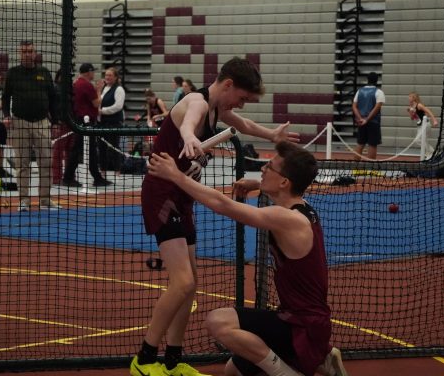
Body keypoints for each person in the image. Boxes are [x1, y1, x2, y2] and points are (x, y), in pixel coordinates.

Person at [132, 57, 299, 376]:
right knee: (182, 282)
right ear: (227, 85)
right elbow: (186, 119)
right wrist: (189, 135)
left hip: (183, 196)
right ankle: (144, 359)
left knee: (190, 284)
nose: (243, 105)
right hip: (162, 196)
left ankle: (173, 361)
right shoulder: (196, 101)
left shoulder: (217, 109)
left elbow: (244, 125)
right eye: (242, 98)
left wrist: (272, 134)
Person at [147, 141, 347, 376]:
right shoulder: (301, 207)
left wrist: (175, 176)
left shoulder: (287, 219)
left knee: (217, 321)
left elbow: (223, 205)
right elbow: (289, 192)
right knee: (232, 371)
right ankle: (323, 361)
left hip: (302, 327)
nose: (262, 169)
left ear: (284, 182)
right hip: (300, 319)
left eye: (269, 167)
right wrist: (259, 185)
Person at [2, 40, 60, 211]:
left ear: (35, 53)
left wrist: (55, 121)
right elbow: (5, 98)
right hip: (20, 122)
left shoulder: (44, 72)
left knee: (46, 162)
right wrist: (6, 116)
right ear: (20, 54)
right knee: (22, 164)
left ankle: (45, 200)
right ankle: (24, 201)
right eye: (24, 51)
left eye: (30, 51)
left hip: (42, 122)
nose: (27, 54)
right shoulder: (13, 73)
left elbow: (53, 99)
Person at [62, 63, 111, 187]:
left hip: (79, 119)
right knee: (81, 149)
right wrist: (99, 90)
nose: (94, 74)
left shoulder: (77, 83)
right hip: (86, 122)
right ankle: (69, 177)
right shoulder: (86, 85)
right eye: (93, 72)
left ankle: (95, 176)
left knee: (86, 150)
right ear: (88, 72)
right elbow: (96, 103)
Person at [98, 67, 125, 174]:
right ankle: (103, 170)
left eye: (110, 75)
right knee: (102, 147)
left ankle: (117, 170)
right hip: (102, 123)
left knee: (114, 146)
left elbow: (118, 106)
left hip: (114, 122)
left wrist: (102, 111)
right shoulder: (103, 88)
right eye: (106, 75)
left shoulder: (119, 89)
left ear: (115, 77)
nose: (107, 77)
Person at [352, 72, 385, 160]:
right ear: (377, 81)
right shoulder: (379, 92)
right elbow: (377, 108)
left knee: (360, 143)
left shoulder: (359, 91)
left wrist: (360, 118)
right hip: (373, 122)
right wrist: (366, 119)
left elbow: (354, 106)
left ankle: (355, 168)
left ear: (367, 80)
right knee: (372, 145)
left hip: (361, 122)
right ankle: (370, 168)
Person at [51, 69, 74, 185]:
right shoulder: (55, 88)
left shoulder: (70, 89)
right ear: (59, 76)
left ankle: (68, 176)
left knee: (70, 151)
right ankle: (56, 177)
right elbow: (51, 107)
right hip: (60, 123)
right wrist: (54, 122)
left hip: (71, 123)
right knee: (58, 152)